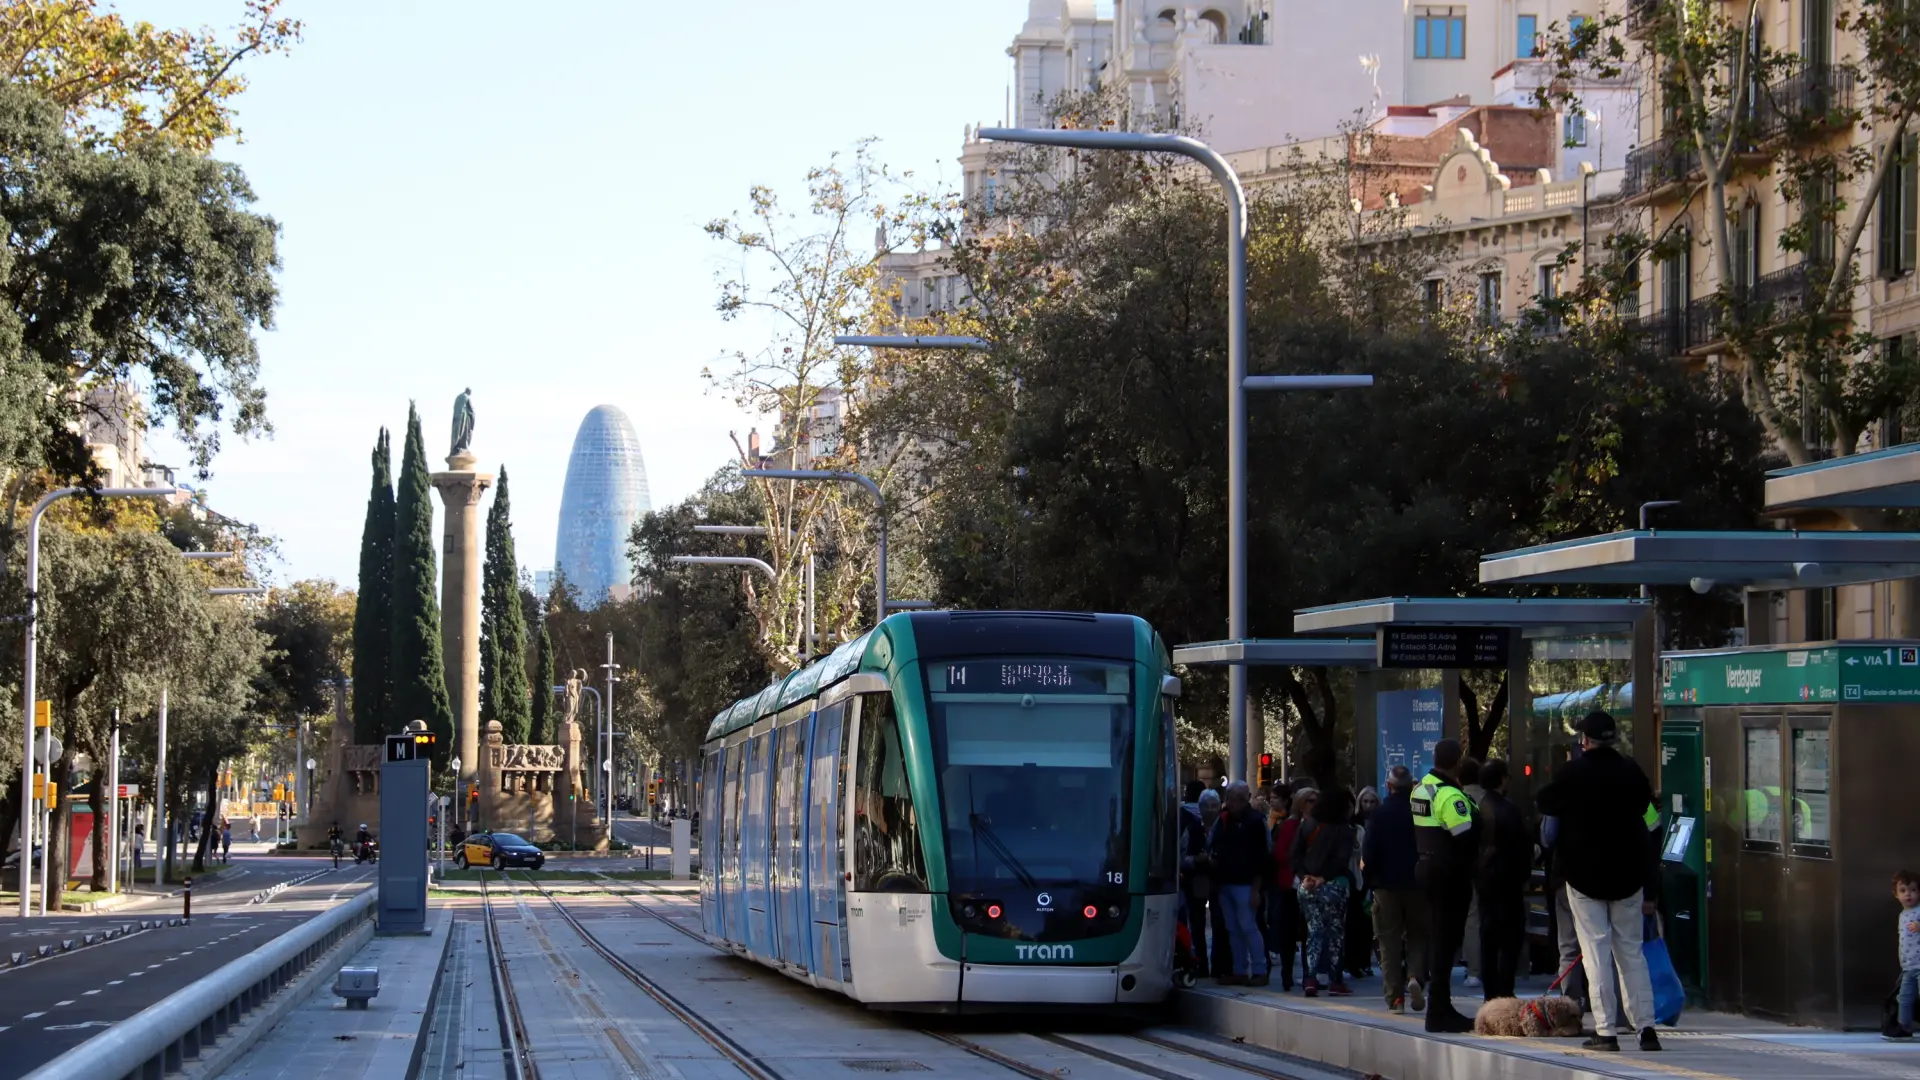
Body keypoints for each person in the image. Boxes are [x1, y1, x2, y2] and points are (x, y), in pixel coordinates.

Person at [1535, 711, 1663, 1053]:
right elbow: (1651, 819)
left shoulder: (1574, 772)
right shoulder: (1631, 771)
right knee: (1631, 954)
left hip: (1584, 878)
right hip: (1628, 878)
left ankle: (1605, 1032)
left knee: (1596, 954)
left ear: (1585, 740)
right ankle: (1646, 1029)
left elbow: (1545, 801)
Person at [1413, 739, 1478, 1033]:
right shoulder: (1450, 795)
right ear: (1457, 762)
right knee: (1446, 941)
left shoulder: (1422, 787)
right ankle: (1439, 1010)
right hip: (1449, 872)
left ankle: (1440, 1006)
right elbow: (1465, 836)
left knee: (1438, 937)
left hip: (1426, 866)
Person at [1366, 766, 1430, 1014]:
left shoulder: (1379, 814)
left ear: (1389, 786)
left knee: (1388, 942)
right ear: (1411, 787)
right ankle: (1414, 976)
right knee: (1417, 935)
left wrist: (1370, 879)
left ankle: (1395, 999)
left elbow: (1370, 852)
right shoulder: (1421, 810)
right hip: (1417, 883)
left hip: (1386, 885)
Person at [1293, 787, 1357, 997]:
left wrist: (1305, 876)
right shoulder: (1344, 829)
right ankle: (1335, 980)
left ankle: (1309, 978)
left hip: (1307, 886)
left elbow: (1294, 855)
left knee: (1314, 931)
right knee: (1336, 933)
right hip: (1333, 886)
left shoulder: (1308, 825)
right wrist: (1322, 878)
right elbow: (1341, 861)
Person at [1474, 759, 1529, 1000]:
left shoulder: (1477, 808)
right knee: (1510, 940)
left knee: (1488, 938)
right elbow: (1523, 848)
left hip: (1485, 881)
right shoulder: (1510, 810)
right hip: (1509, 882)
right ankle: (1505, 991)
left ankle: (1490, 994)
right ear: (1502, 779)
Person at [1209, 780, 1272, 986]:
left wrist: (1257, 888)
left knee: (1248, 926)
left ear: (1243, 800)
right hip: (1225, 881)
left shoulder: (1255, 821)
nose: (1228, 802)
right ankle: (1239, 969)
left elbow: (1262, 857)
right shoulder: (1224, 819)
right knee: (1232, 928)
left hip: (1246, 882)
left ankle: (1260, 969)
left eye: (1232, 799)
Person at [1271, 787, 1317, 990]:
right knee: (1289, 932)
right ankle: (1287, 975)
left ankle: (1310, 975)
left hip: (1313, 884)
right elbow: (1280, 854)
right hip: (1291, 885)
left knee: (1311, 932)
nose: (1313, 805)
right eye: (1310, 801)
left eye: (1316, 801)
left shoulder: (1320, 826)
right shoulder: (1290, 825)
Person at [1182, 786, 1219, 976]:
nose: (1211, 809)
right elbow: (1182, 857)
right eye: (1207, 806)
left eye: (1214, 806)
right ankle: (1201, 964)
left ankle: (1219, 965)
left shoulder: (1223, 827)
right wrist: (1196, 860)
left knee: (1220, 925)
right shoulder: (1192, 828)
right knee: (1196, 925)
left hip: (1219, 882)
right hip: (1195, 882)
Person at [1346, 787, 1380, 980]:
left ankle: (1365, 961)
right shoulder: (1355, 824)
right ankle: (1354, 961)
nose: (1368, 805)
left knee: (1370, 922)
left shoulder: (1380, 821)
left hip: (1374, 876)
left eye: (1372, 801)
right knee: (1355, 921)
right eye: (1365, 801)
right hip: (1357, 875)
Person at [1459, 757, 1485, 990]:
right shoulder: (1489, 799)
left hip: (1466, 866)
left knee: (1472, 917)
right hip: (1492, 867)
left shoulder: (1457, 799)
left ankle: (1474, 970)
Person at [1892, 870, 1920, 1039]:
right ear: (1896, 894)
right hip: (1908, 966)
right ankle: (1904, 1027)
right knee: (1904, 998)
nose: (1908, 894)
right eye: (1903, 890)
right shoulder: (1903, 915)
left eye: (1913, 890)